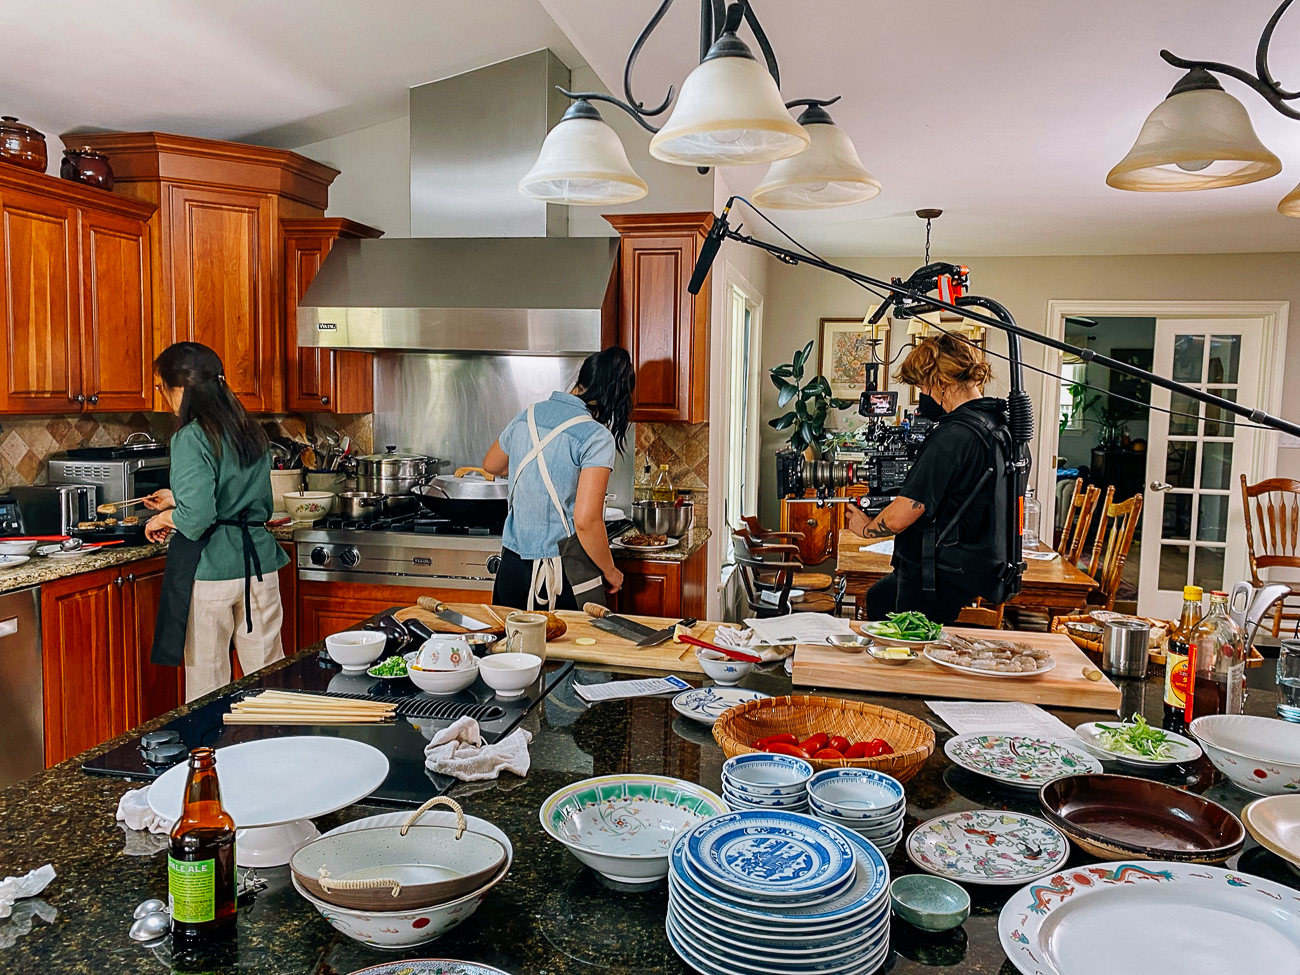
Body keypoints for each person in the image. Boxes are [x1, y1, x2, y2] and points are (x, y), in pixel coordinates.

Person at [142, 343, 288, 701]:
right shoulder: (248, 430)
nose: (165, 399)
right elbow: (232, 495)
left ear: (180, 388)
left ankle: (212, 756)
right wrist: (179, 498)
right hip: (259, 567)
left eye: (162, 389)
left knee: (209, 687)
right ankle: (278, 750)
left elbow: (199, 518)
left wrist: (165, 517)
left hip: (212, 574)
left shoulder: (191, 436)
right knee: (269, 680)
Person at [845, 333, 1007, 624]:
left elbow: (901, 516)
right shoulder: (998, 425)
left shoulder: (952, 435)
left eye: (922, 384)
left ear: (941, 381)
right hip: (972, 566)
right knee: (879, 597)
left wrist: (865, 528)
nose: (922, 393)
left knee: (909, 650)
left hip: (935, 576)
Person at [482, 346, 635, 611]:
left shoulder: (527, 416)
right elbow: (586, 521)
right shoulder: (595, 436)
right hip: (559, 578)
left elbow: (492, 465)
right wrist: (610, 571)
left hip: (511, 570)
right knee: (572, 652)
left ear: (581, 380)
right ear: (613, 396)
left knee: (508, 652)